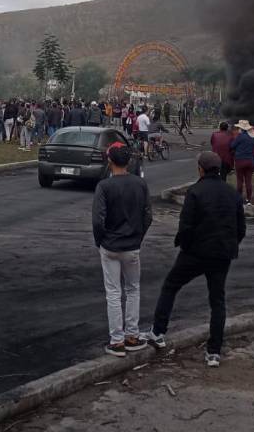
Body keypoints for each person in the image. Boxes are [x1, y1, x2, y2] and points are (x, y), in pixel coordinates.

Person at [145, 152, 245, 367]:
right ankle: (214, 352)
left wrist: (186, 246)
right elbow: (241, 228)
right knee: (217, 300)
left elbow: (186, 226)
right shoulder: (232, 194)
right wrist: (229, 245)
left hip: (196, 253)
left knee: (171, 286)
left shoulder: (195, 192)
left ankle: (158, 331)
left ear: (200, 169)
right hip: (222, 254)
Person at [91, 142, 152, 357]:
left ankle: (116, 340)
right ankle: (132, 335)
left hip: (110, 246)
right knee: (133, 289)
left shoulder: (104, 186)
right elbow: (147, 215)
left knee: (113, 293)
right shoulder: (140, 184)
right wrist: (138, 237)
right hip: (132, 246)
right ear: (129, 161)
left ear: (110, 161)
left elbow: (98, 220)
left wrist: (100, 241)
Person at [230, 120, 254, 204]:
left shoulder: (240, 137)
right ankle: (249, 199)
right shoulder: (252, 137)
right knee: (248, 181)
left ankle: (239, 197)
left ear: (241, 128)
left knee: (240, 180)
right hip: (250, 160)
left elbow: (232, 146)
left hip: (240, 160)